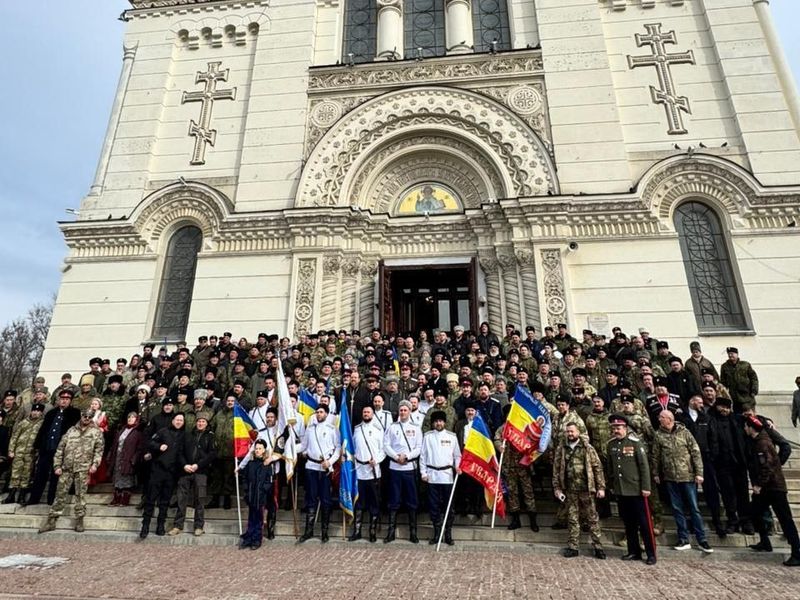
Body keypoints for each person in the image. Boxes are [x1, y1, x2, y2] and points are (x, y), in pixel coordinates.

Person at [652, 410, 713, 553]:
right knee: (677, 509)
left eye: (661, 417)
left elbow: (695, 452)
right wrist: (655, 473)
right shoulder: (658, 435)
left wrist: (699, 473)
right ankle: (683, 538)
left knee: (694, 508)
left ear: (669, 419)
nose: (659, 419)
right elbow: (655, 456)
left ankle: (702, 539)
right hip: (670, 477)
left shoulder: (684, 432)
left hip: (687, 476)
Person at [743, 415, 800, 566]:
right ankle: (764, 541)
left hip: (773, 488)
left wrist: (759, 485)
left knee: (785, 519)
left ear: (750, 428)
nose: (744, 428)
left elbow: (767, 467)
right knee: (753, 511)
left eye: (746, 426)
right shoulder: (758, 440)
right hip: (767, 487)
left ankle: (797, 552)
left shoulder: (762, 443)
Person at [37, 408, 104, 534]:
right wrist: (57, 466)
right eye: (85, 416)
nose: (87, 418)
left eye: (89, 417)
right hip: (67, 468)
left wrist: (95, 464)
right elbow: (60, 449)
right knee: (60, 495)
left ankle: (79, 520)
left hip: (83, 468)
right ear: (81, 416)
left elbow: (98, 451)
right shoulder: (71, 430)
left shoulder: (96, 433)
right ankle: (51, 521)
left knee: (81, 496)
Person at [607, 414, 657, 565]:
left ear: (625, 428)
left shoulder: (636, 443)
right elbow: (610, 467)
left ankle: (651, 553)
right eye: (614, 428)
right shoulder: (611, 445)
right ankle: (633, 551)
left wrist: (646, 487)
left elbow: (644, 467)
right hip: (621, 490)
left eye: (619, 427)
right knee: (629, 523)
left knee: (644, 523)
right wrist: (612, 486)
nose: (616, 430)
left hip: (636, 489)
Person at [552, 422, 606, 559]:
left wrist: (601, 487)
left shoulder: (587, 448)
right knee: (572, 518)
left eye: (572, 431)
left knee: (592, 519)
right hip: (570, 489)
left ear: (578, 432)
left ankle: (598, 546)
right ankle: (573, 546)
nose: (570, 434)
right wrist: (557, 488)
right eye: (568, 432)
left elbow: (597, 468)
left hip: (586, 489)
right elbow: (556, 469)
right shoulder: (562, 448)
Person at [28, 389, 81, 506]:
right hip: (47, 448)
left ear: (70, 401)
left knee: (56, 475)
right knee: (40, 473)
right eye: (62, 398)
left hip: (61, 450)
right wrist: (37, 445)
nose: (64, 401)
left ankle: (51, 499)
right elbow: (43, 430)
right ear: (58, 400)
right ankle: (34, 498)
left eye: (67, 399)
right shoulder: (51, 413)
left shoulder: (75, 413)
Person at [170, 410, 216, 536]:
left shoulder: (210, 436)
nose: (200, 423)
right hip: (185, 471)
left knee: (200, 500)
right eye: (199, 421)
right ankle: (177, 525)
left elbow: (212, 454)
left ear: (206, 424)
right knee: (181, 499)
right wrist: (185, 465)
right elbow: (180, 452)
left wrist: (198, 465)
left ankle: (199, 526)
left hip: (201, 472)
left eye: (203, 422)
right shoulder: (187, 435)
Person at [298, 404, 341, 543]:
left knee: (326, 499)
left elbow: (338, 448)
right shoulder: (310, 429)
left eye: (321, 412)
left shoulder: (332, 429)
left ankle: (324, 531)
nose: (318, 414)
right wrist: (290, 448)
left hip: (325, 469)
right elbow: (303, 446)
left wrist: (330, 461)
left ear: (327, 414)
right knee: (311, 498)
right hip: (311, 467)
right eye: (317, 412)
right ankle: (308, 531)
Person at [140, 412, 186, 538]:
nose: (179, 422)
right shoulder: (163, 431)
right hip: (158, 470)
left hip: (171, 473)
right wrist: (159, 446)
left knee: (165, 501)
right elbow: (150, 442)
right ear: (173, 420)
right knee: (150, 499)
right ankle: (145, 525)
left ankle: (161, 525)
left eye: (181, 420)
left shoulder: (184, 435)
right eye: (177, 420)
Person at [383, 399, 423, 543]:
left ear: (410, 411)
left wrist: (407, 456)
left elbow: (419, 447)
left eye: (405, 410)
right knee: (393, 500)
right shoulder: (392, 427)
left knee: (412, 500)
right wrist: (395, 456)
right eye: (401, 410)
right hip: (395, 467)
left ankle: (413, 533)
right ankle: (391, 532)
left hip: (409, 468)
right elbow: (386, 445)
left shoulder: (416, 428)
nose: (403, 412)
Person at [493, 405, 539, 531]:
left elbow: (532, 442)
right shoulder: (503, 428)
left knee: (528, 492)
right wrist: (499, 446)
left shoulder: (523, 428)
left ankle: (533, 520)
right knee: (512, 493)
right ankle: (515, 520)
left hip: (523, 466)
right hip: (509, 466)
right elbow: (496, 438)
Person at [420, 410, 461, 545]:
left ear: (444, 422)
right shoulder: (428, 436)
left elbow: (457, 455)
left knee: (449, 506)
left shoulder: (451, 437)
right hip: (432, 476)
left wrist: (458, 466)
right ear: (433, 423)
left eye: (441, 421)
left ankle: (448, 532)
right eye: (436, 421)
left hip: (447, 476)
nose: (438, 423)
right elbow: (423, 456)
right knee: (434, 506)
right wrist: (423, 473)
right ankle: (437, 532)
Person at [349, 406, 385, 542]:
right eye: (364, 412)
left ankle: (372, 531)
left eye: (368, 412)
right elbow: (353, 448)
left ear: (372, 414)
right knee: (359, 502)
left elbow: (383, 449)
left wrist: (377, 460)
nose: (366, 414)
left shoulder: (378, 430)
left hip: (373, 471)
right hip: (359, 470)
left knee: (374, 502)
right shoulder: (357, 429)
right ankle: (357, 531)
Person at [238, 439, 280, 550]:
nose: (257, 451)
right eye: (256, 448)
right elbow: (245, 478)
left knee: (259, 518)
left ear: (264, 450)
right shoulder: (250, 464)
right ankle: (249, 537)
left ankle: (257, 538)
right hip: (251, 494)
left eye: (259, 449)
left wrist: (263, 490)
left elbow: (269, 481)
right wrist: (247, 489)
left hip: (260, 495)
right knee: (251, 517)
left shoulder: (267, 465)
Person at [3, 402, 44, 505]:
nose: (35, 413)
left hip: (31, 453)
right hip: (19, 452)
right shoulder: (23, 423)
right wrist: (11, 450)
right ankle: (11, 496)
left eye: (38, 411)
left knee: (27, 474)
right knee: (15, 473)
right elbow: (14, 437)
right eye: (34, 410)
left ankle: (21, 496)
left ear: (41, 413)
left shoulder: (41, 424)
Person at [107, 412, 143, 507]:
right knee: (117, 478)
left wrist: (134, 459)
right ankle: (116, 498)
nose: (130, 419)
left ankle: (124, 499)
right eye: (129, 417)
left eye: (133, 417)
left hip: (128, 459)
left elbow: (140, 448)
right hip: (118, 457)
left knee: (126, 479)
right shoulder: (121, 430)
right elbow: (115, 444)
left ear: (136, 419)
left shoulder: (138, 432)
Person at [720, 347, 758, 412]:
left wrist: (754, 391)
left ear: (737, 354)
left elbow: (753, 378)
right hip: (734, 397)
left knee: (750, 416)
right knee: (737, 417)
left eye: (732, 353)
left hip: (747, 397)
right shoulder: (725, 366)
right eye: (729, 354)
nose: (730, 355)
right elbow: (723, 381)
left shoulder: (745, 365)